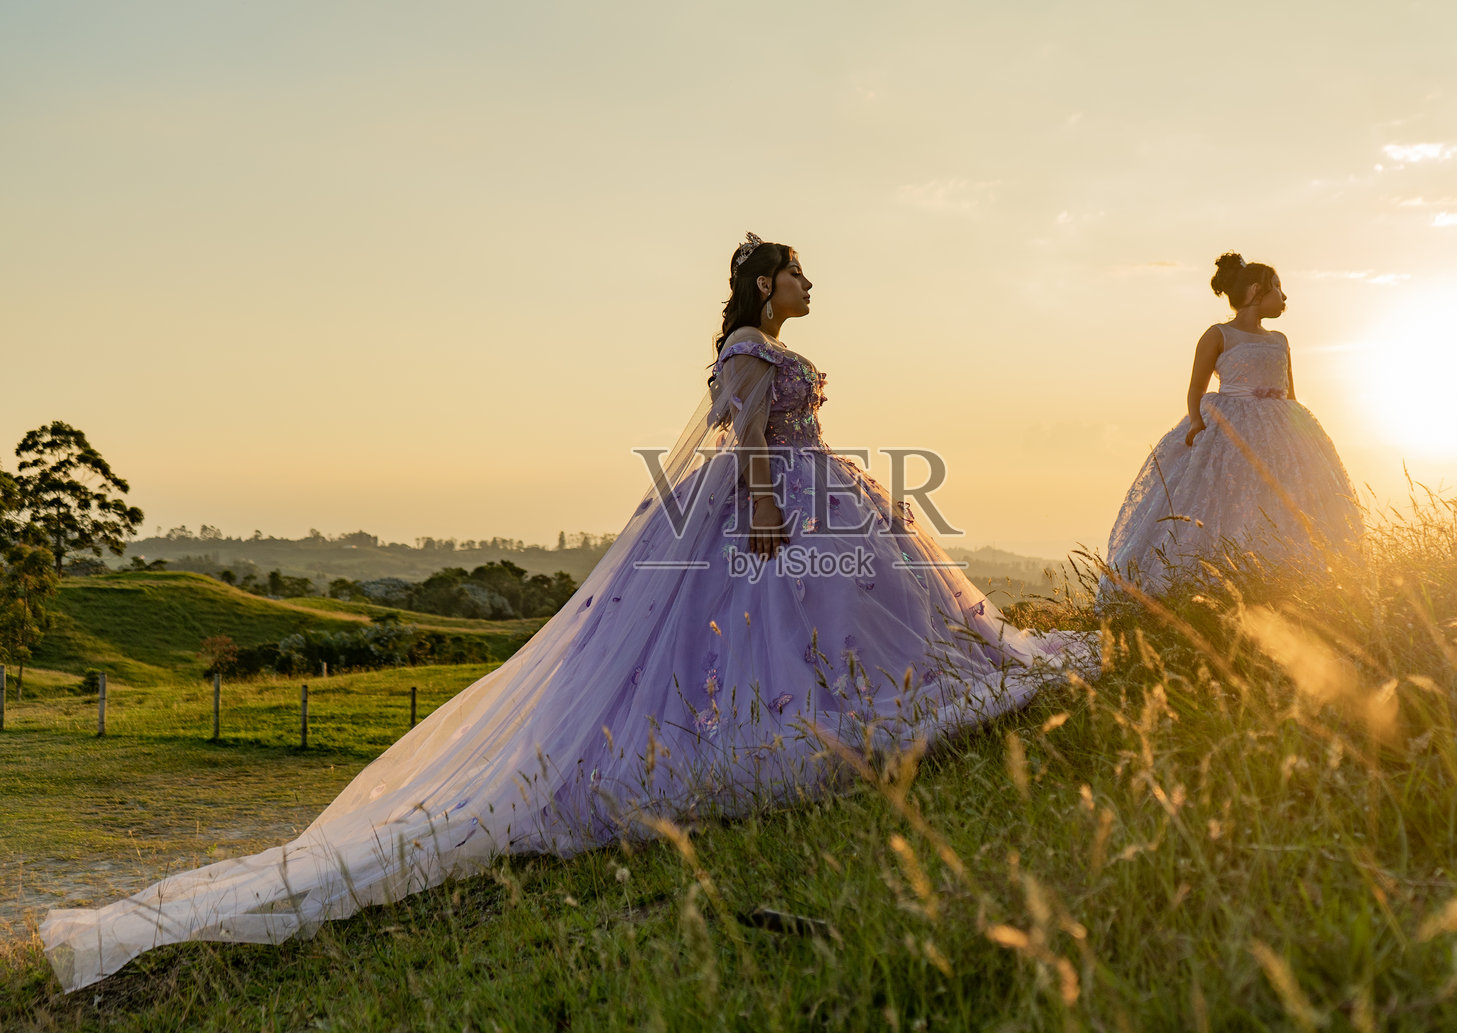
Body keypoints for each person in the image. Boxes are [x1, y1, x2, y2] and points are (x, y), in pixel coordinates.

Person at [41, 233, 1096, 992]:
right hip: (765, 504)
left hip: (820, 492)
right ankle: (767, 737)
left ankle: (872, 696)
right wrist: (767, 513)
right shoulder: (747, 354)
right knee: (747, 630)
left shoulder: (775, 352)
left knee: (853, 616)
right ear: (765, 285)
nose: (810, 282)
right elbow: (746, 447)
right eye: (798, 272)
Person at [1101, 252, 1362, 597]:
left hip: (1280, 430)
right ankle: (1203, 581)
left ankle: (1285, 580)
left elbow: (1290, 393)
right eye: (1278, 289)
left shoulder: (1280, 340)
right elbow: (1196, 386)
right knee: (1219, 497)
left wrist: (1301, 434)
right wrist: (1196, 421)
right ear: (1256, 290)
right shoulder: (1219, 335)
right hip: (1229, 427)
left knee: (1281, 498)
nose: (1284, 297)